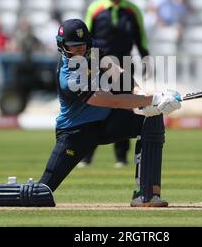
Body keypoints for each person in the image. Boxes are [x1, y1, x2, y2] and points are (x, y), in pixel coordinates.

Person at [38, 18, 181, 207]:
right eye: (73, 47)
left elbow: (115, 71)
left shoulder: (93, 51)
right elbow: (112, 100)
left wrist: (139, 92)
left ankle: (145, 194)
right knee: (42, 192)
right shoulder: (70, 77)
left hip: (105, 122)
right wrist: (153, 100)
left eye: (82, 45)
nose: (80, 50)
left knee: (150, 120)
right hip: (76, 132)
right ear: (62, 46)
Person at [81, 0, 150, 168]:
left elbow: (141, 38)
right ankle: (86, 156)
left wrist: (146, 58)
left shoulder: (132, 10)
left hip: (124, 64)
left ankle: (121, 157)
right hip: (98, 65)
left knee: (125, 109)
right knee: (93, 108)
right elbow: (87, 39)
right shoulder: (95, 9)